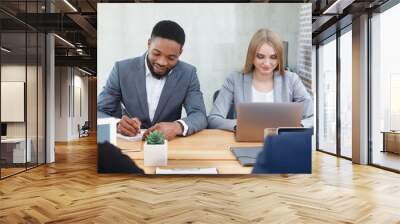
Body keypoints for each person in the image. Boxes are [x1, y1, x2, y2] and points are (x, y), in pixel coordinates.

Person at [97, 20, 207, 140]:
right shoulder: (121, 69)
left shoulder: (188, 73)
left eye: (171, 58)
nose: (162, 62)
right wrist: (117, 124)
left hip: (169, 146)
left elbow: (199, 115)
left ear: (180, 53)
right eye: (156, 53)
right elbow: (99, 112)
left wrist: (176, 127)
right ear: (149, 43)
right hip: (129, 145)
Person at [208, 28, 314, 131]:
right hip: (245, 141)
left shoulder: (291, 80)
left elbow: (313, 117)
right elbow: (214, 119)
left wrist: (297, 126)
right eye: (260, 56)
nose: (267, 63)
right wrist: (239, 126)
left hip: (280, 141)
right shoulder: (234, 80)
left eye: (273, 57)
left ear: (279, 58)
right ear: (251, 56)